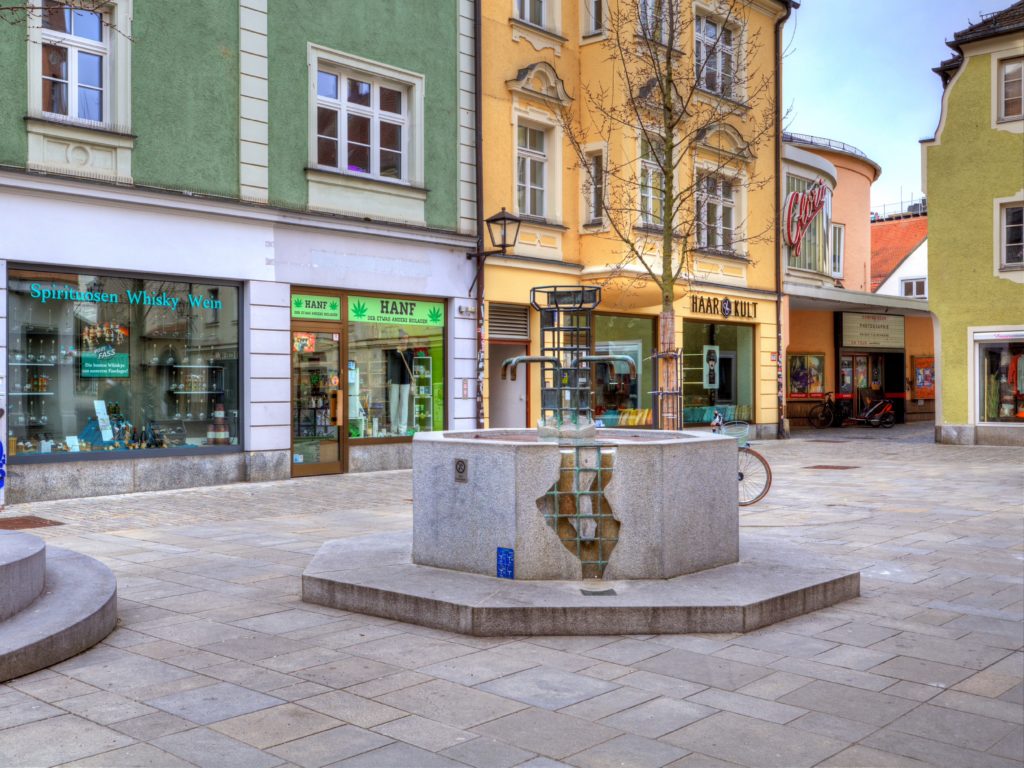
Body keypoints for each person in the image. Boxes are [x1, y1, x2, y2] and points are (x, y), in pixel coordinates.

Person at [386, 330, 414, 435]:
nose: (405, 340)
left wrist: (412, 380)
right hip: (394, 379)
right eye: (403, 338)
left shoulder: (410, 351)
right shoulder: (393, 350)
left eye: (407, 338)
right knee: (394, 404)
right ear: (399, 339)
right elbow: (390, 363)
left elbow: (410, 363)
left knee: (404, 405)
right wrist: (388, 378)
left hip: (406, 379)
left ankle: (402, 428)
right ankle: (394, 427)